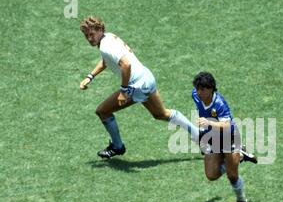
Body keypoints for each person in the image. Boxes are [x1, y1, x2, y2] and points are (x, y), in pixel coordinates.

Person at [79, 16, 199, 158]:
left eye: (91, 34)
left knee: (102, 111)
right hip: (146, 77)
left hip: (136, 85)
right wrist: (90, 77)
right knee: (161, 114)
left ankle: (118, 147)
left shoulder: (105, 45)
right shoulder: (109, 37)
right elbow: (106, 61)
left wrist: (124, 91)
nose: (89, 39)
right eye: (86, 36)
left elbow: (126, 64)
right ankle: (199, 136)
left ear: (100, 30)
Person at [192, 72, 257, 202]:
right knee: (211, 175)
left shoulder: (219, 104)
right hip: (213, 139)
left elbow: (226, 125)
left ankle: (241, 200)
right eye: (198, 89)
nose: (199, 92)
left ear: (211, 89)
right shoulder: (196, 95)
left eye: (203, 89)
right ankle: (240, 157)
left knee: (232, 176)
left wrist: (208, 123)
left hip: (229, 137)